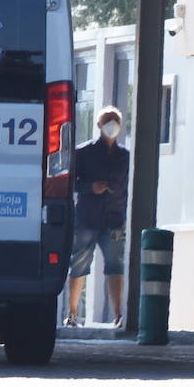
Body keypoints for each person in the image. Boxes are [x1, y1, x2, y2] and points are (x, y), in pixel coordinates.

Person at [65, 107, 130, 328]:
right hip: (87, 219)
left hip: (114, 220)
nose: (112, 124)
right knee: (79, 266)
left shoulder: (125, 156)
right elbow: (70, 182)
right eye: (107, 120)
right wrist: (91, 187)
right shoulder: (83, 153)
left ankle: (119, 315)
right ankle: (72, 314)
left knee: (115, 266)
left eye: (115, 121)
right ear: (99, 125)